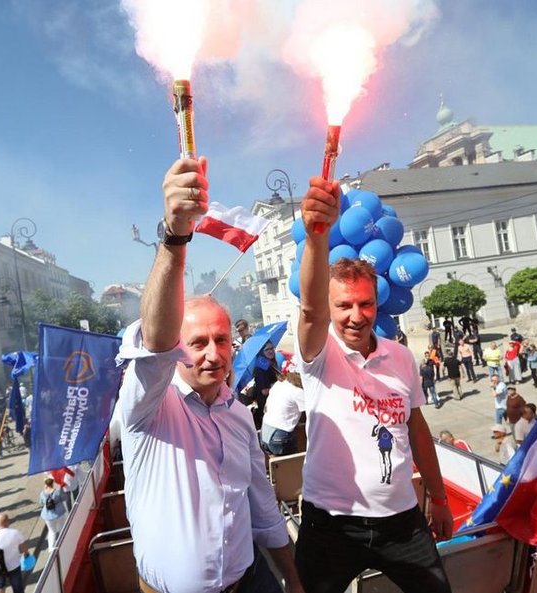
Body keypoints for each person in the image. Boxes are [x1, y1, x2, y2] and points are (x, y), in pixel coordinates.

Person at [116, 157, 300, 593]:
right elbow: (156, 343)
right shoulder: (149, 408)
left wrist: (293, 581)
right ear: (178, 348)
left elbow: (261, 502)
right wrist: (176, 235)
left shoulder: (237, 414)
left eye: (221, 339)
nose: (214, 354)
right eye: (198, 343)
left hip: (253, 582)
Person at [295, 177, 452, 593]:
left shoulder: (400, 357)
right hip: (330, 526)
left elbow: (416, 429)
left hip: (402, 523)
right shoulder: (318, 355)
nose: (356, 315)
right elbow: (310, 312)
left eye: (365, 303)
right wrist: (315, 238)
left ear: (377, 303)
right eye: (343, 306)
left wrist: (438, 495)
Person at [260, 359, 306, 456]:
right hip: (280, 437)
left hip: (265, 433)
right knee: (293, 467)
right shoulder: (297, 391)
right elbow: (311, 414)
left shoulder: (279, 384)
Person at [0, 514, 29, 593]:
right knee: (17, 588)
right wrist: (26, 554)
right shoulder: (15, 533)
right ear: (8, 522)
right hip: (14, 566)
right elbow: (23, 548)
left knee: (0, 587)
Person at [39, 477, 67, 548]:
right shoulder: (58, 491)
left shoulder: (42, 494)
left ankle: (51, 549)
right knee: (62, 529)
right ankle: (63, 544)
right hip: (59, 513)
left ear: (46, 484)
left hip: (48, 516)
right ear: (52, 483)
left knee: (51, 532)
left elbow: (41, 503)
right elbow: (64, 498)